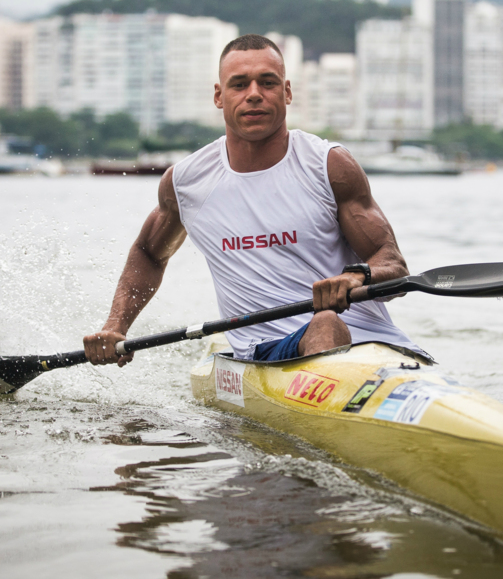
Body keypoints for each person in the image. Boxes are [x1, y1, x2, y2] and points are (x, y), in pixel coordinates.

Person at [83, 34, 427, 366]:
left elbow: (394, 266)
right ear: (219, 96)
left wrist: (357, 277)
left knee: (327, 323)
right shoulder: (186, 182)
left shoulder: (329, 165)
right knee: (325, 323)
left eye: (267, 82)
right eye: (239, 84)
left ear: (287, 91)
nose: (254, 94)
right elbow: (148, 253)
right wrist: (116, 327)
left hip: (382, 346)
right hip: (271, 352)